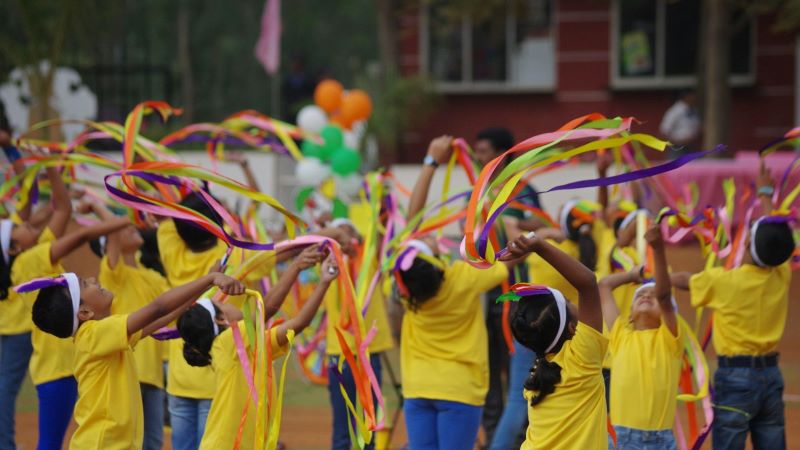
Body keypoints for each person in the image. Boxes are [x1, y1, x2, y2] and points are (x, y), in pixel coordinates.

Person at [21, 246, 245, 450]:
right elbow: (157, 308)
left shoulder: (103, 336)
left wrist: (205, 282)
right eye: (85, 284)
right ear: (85, 313)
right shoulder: (94, 335)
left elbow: (162, 317)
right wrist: (210, 279)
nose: (92, 279)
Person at [395, 136, 526, 449]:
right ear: (434, 261)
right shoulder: (462, 278)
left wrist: (431, 162)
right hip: (460, 390)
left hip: (418, 388)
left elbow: (413, 224)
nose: (424, 237)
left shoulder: (404, 286)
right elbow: (507, 261)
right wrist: (493, 212)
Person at [670, 163, 793, 450]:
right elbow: (774, 236)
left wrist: (653, 274)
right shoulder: (781, 274)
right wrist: (765, 193)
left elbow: (686, 280)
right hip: (771, 375)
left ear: (748, 242)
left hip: (735, 378)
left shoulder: (725, 282)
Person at [178, 248, 337, 449]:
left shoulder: (242, 346)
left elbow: (291, 319)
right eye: (221, 302)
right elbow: (269, 309)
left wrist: (313, 275)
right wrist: (304, 271)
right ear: (221, 319)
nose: (227, 301)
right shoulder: (227, 342)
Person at [4, 148, 82, 450]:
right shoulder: (31, 259)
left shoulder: (34, 251)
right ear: (12, 248)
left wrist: (49, 167)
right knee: (48, 439)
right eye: (19, 228)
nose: (26, 225)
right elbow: (59, 217)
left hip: (55, 355)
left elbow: (60, 209)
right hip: (51, 359)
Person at [501, 230, 608, 450]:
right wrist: (539, 246)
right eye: (569, 302)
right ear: (572, 328)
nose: (575, 303)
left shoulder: (537, 370)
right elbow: (588, 282)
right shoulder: (583, 358)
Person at [473, 126, 542, 449]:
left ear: (501, 155)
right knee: (489, 369)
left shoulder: (522, 189)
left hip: (518, 292)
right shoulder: (479, 191)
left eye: (484, 151)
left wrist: (510, 224)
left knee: (517, 371)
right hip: (487, 291)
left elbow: (541, 224)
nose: (478, 157)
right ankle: (493, 437)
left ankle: (519, 439)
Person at [83, 200, 171, 450]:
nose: (130, 228)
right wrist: (100, 207)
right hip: (130, 371)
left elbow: (171, 307)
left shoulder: (151, 275)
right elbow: (113, 228)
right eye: (123, 230)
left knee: (153, 442)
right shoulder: (113, 273)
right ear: (110, 244)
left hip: (152, 373)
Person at [599, 225, 681, 449]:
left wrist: (659, 250)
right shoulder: (620, 334)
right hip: (619, 439)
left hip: (659, 441)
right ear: (631, 316)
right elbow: (604, 286)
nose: (646, 296)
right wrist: (631, 275)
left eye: (652, 296)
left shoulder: (670, 338)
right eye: (640, 295)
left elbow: (664, 295)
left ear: (667, 312)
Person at [324, 219, 393, 450]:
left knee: (368, 423)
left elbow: (382, 236)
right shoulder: (327, 264)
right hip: (339, 352)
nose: (344, 237)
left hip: (368, 351)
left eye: (349, 232)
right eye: (338, 234)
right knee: (341, 425)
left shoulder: (369, 260)